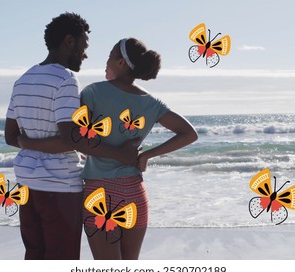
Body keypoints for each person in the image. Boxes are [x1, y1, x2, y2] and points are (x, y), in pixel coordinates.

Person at [19, 37, 198, 259]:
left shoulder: (93, 92)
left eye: (109, 57)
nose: (106, 63)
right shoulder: (151, 103)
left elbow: (75, 138)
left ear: (121, 62)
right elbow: (190, 133)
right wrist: (147, 156)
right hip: (135, 192)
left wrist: (26, 141)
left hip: (100, 193)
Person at [4, 12, 139, 260]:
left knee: (35, 256)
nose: (85, 54)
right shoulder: (65, 79)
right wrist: (120, 154)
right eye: (83, 46)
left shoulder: (22, 80)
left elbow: (11, 137)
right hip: (59, 187)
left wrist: (28, 143)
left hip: (26, 184)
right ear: (69, 41)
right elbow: (70, 139)